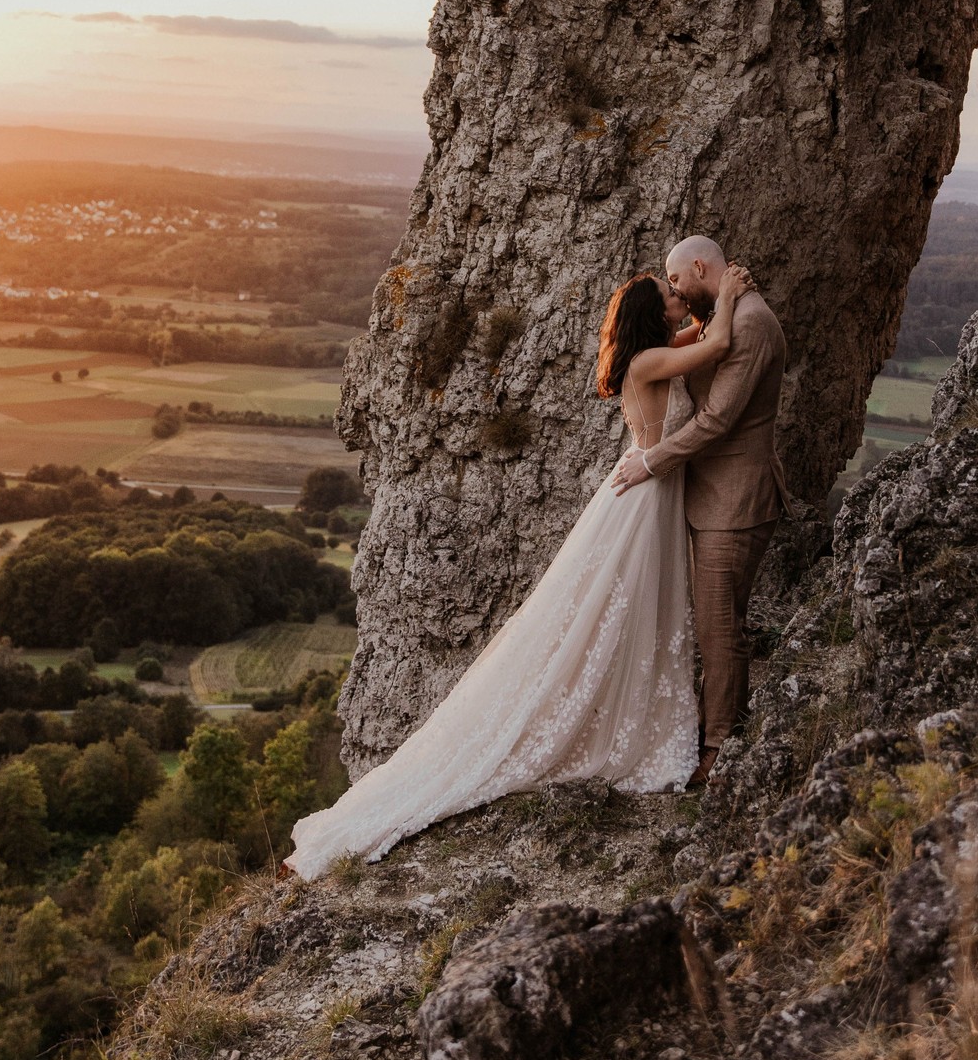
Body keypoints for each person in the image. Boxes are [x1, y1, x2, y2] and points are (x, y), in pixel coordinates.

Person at [284, 261, 755, 876]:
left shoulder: (661, 350)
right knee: (618, 607)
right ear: (653, 313)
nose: (678, 298)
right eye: (671, 294)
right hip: (642, 499)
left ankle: (637, 711)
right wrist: (734, 295)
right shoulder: (647, 364)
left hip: (653, 494)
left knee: (646, 607)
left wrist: (712, 310)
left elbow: (700, 338)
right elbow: (718, 340)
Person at [612, 235, 790, 787]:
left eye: (676, 280)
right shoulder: (721, 318)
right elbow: (707, 348)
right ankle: (710, 734)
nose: (674, 291)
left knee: (720, 632)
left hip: (734, 501)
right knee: (711, 628)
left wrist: (653, 461)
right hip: (710, 498)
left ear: (697, 268)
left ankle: (718, 751)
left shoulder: (752, 321)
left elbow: (717, 419)